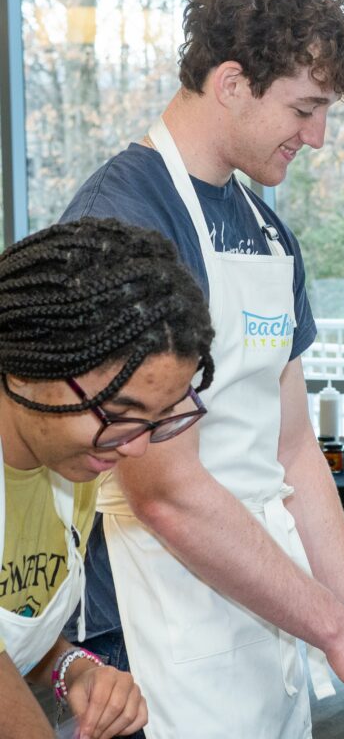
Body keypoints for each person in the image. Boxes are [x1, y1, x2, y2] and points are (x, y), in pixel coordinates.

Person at [60, 0, 344, 737]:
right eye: (305, 108)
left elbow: (292, 451)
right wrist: (336, 631)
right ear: (231, 83)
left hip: (266, 615)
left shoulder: (266, 230)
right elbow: (164, 490)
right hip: (153, 623)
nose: (318, 136)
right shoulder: (123, 224)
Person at [0, 217, 215, 739]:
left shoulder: (69, 464)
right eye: (119, 412)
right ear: (26, 368)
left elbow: (16, 620)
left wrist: (72, 668)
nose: (136, 445)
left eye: (157, 418)